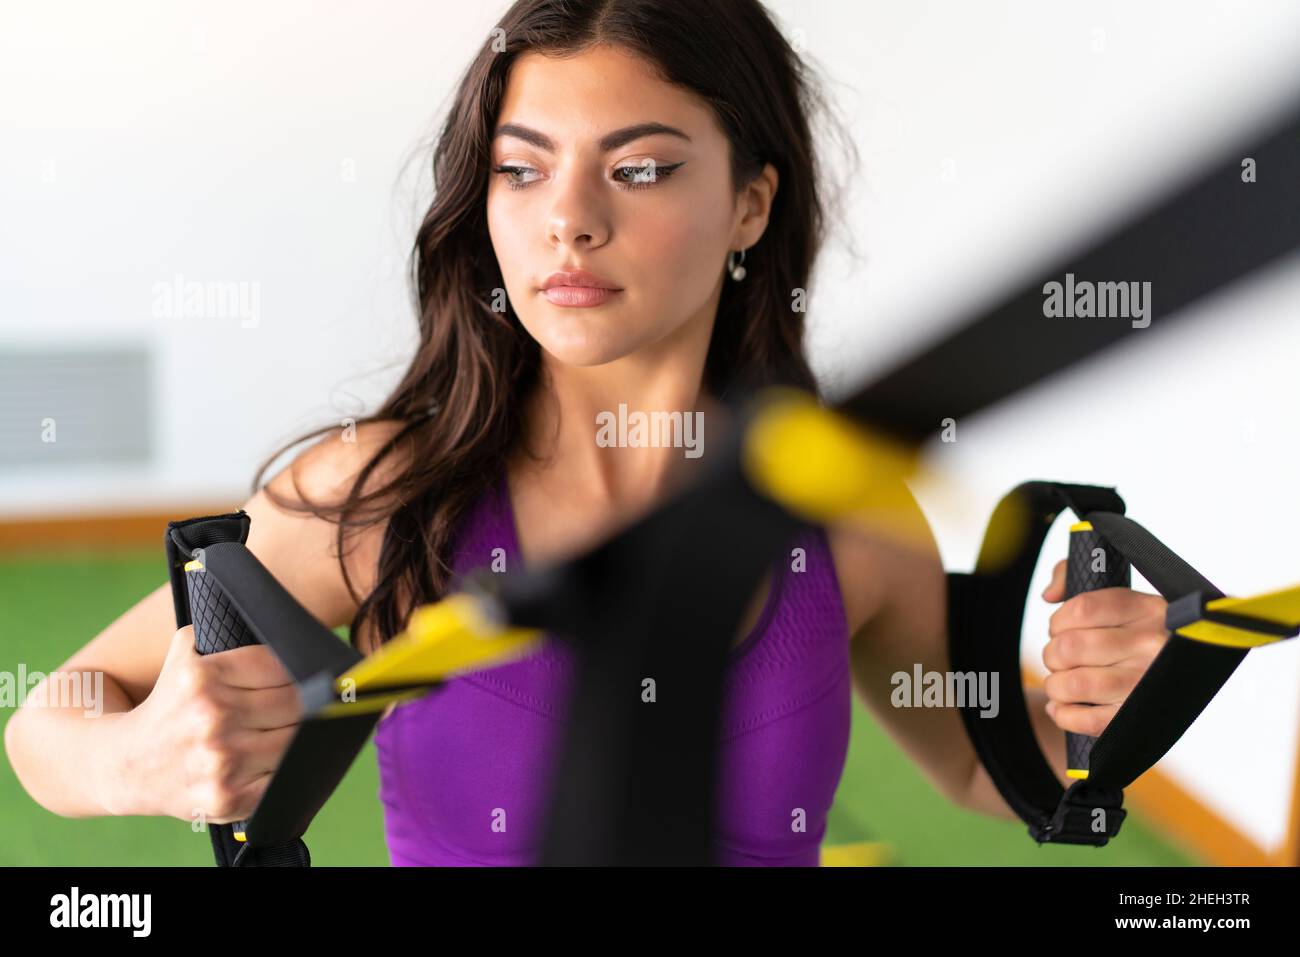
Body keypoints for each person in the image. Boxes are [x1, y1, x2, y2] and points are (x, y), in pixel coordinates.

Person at [4, 0, 1169, 866]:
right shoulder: (385, 492)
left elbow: (985, 766)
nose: (568, 221)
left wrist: (1104, 706)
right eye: (522, 171)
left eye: (643, 167)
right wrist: (130, 758)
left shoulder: (848, 513)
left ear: (751, 204)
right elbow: (48, 719)